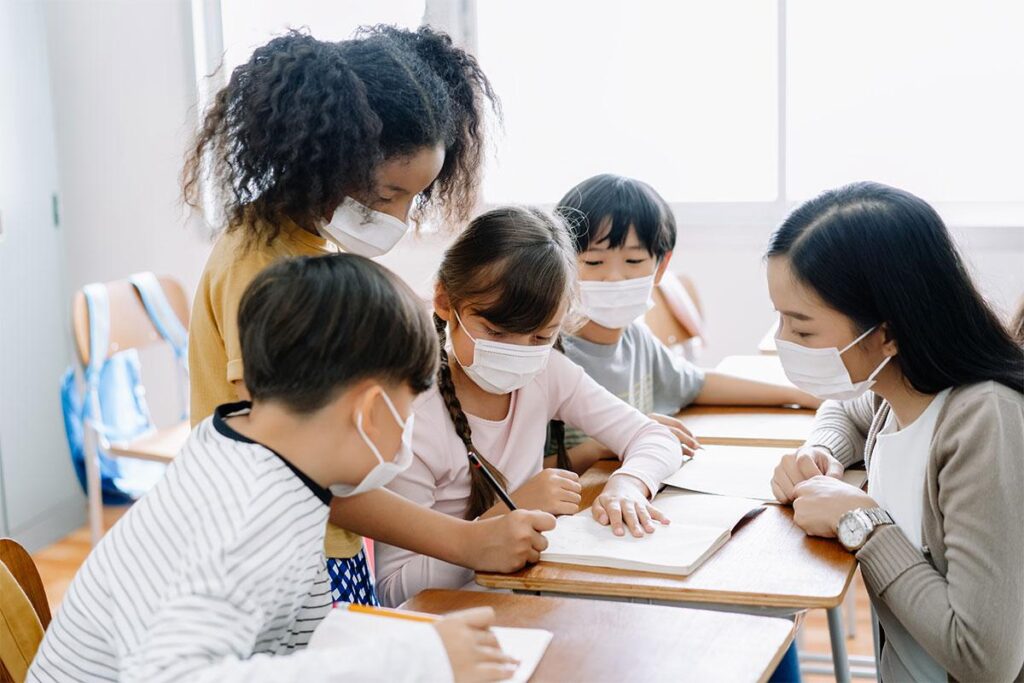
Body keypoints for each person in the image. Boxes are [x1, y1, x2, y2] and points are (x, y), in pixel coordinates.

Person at [182, 28, 549, 607]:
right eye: (385, 196)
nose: (399, 220)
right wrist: (468, 543)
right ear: (325, 157)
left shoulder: (308, 246)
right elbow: (304, 465)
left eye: (416, 198)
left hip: (323, 545)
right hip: (273, 557)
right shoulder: (263, 267)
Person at [29, 254, 518, 682]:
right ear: (371, 412)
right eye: (408, 410)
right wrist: (413, 664)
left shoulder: (241, 441)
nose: (406, 430)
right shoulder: (251, 514)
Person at [767, 182, 1024, 682]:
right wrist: (822, 452)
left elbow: (986, 660)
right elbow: (845, 414)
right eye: (779, 320)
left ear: (886, 332)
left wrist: (862, 523)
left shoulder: (984, 421)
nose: (783, 342)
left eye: (802, 330)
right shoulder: (897, 389)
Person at [375, 206, 683, 607]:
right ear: (445, 302)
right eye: (496, 332)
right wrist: (509, 513)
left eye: (540, 338)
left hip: (537, 591)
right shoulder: (412, 413)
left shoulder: (547, 373)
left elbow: (652, 436)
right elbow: (395, 590)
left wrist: (629, 484)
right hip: (461, 617)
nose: (517, 353)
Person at [553, 173, 819, 473]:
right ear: (562, 262)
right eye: (593, 262)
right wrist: (606, 443)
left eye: (633, 262)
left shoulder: (636, 339)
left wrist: (796, 394)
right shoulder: (548, 353)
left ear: (661, 266)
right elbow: (518, 473)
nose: (614, 277)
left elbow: (697, 384)